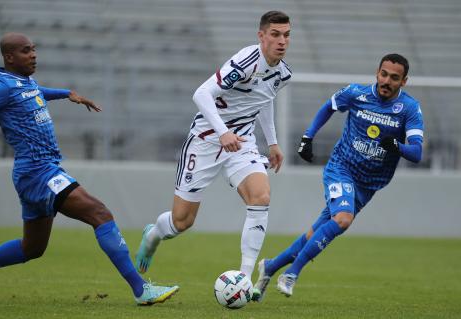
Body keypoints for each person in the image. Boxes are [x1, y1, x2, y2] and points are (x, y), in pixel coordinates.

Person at [0, 33, 179, 305]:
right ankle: (141, 289)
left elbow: (36, 92)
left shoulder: (23, 82)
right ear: (9, 57)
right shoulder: (2, 86)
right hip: (38, 172)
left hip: (36, 172)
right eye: (26, 51)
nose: (33, 55)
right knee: (99, 213)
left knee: (32, 248)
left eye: (34, 49)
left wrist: (68, 94)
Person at [135, 11, 292, 299]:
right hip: (206, 141)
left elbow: (264, 100)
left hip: (241, 143)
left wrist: (272, 142)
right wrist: (222, 131)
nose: (282, 41)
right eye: (275, 34)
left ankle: (244, 279)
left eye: (286, 35)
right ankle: (154, 234)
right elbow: (201, 93)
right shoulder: (245, 62)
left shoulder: (282, 73)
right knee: (182, 222)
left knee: (261, 197)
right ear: (261, 36)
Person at [253, 53, 424, 300]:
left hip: (368, 184)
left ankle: (269, 267)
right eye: (384, 74)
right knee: (343, 219)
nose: (387, 81)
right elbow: (329, 106)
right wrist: (307, 137)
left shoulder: (409, 108)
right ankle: (291, 273)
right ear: (377, 73)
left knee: (318, 233)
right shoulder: (356, 94)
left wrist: (397, 146)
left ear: (404, 81)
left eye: (394, 78)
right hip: (341, 168)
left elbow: (417, 153)